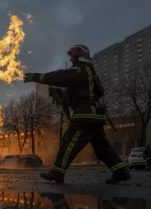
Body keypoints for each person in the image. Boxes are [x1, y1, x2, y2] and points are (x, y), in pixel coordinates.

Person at [24, 44, 130, 184]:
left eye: (72, 56)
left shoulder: (81, 69)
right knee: (102, 148)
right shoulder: (90, 73)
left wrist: (36, 77)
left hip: (85, 117)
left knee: (69, 142)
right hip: (95, 116)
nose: (71, 59)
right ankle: (120, 171)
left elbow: (61, 76)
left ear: (79, 56)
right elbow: (85, 94)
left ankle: (57, 172)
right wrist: (62, 96)